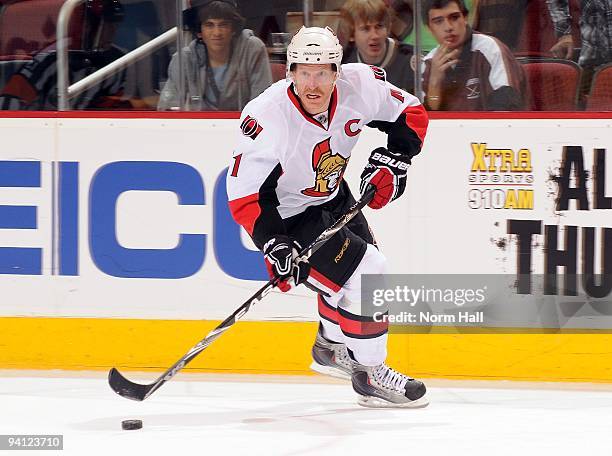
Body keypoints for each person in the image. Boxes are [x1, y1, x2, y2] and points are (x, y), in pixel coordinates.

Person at [226, 26, 429, 408]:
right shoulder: (267, 117)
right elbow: (247, 196)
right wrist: (273, 243)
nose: (313, 83)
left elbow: (411, 113)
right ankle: (370, 372)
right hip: (287, 218)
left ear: (338, 71)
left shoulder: (361, 86)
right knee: (369, 271)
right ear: (289, 71)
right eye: (304, 71)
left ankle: (331, 347)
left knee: (354, 278)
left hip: (333, 197)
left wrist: (396, 159)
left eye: (323, 72)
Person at [0, 0, 128, 110]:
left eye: (114, 26)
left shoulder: (118, 60)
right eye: (106, 26)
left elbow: (127, 101)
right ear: (86, 26)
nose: (112, 32)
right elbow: (11, 98)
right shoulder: (51, 57)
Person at [157, 0, 272, 111]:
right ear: (199, 30)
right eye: (209, 25)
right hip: (199, 128)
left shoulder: (252, 49)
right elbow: (166, 109)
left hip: (243, 128)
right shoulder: (184, 59)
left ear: (233, 29)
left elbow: (263, 107)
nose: (217, 33)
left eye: (223, 25)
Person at [421, 0, 527, 111]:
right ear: (429, 29)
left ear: (466, 18)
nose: (448, 27)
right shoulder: (428, 62)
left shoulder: (490, 49)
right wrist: (434, 82)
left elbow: (505, 107)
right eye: (438, 21)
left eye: (454, 17)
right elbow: (426, 116)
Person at [338, 0, 416, 93]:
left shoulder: (409, 60)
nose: (375, 36)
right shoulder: (344, 64)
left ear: (388, 28)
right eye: (365, 29)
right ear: (351, 34)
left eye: (379, 26)